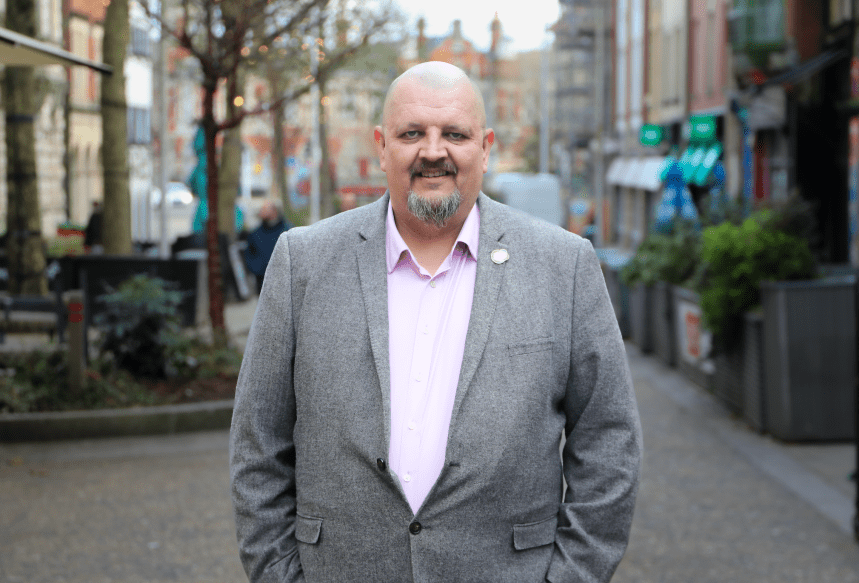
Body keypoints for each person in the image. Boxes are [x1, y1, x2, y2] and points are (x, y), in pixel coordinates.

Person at [230, 61, 642, 583]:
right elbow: (257, 441)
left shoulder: (564, 266)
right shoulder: (302, 262)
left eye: (454, 134)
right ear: (382, 146)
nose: (432, 151)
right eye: (411, 134)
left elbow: (609, 441)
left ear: (485, 147)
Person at [243, 199, 291, 295]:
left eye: (265, 209)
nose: (262, 212)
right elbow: (249, 254)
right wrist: (256, 268)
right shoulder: (255, 234)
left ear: (274, 211)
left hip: (284, 281)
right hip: (261, 282)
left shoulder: (288, 231)